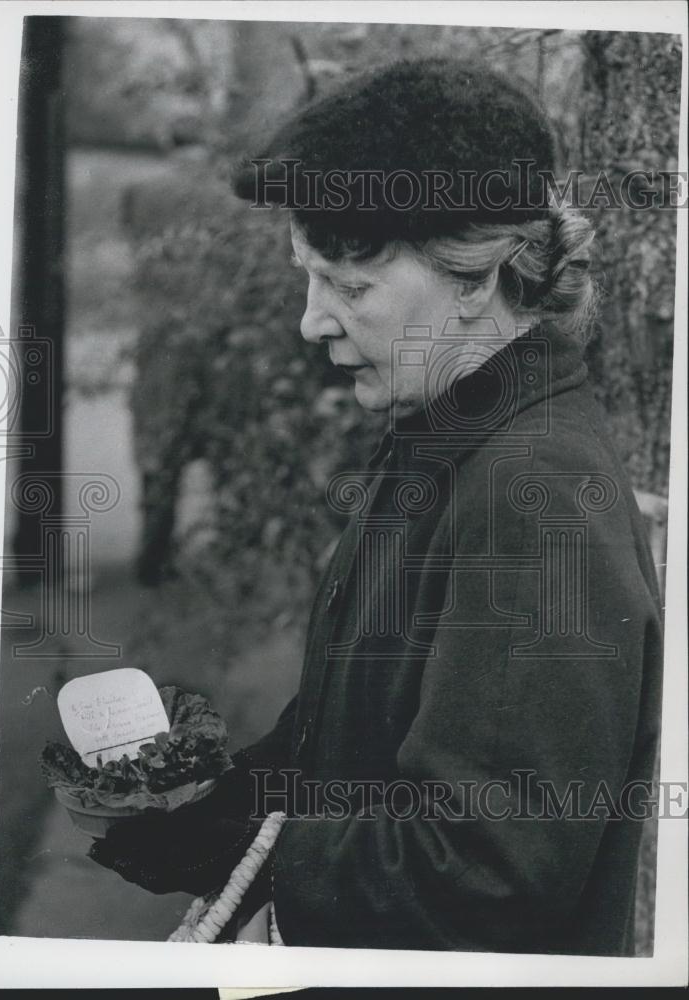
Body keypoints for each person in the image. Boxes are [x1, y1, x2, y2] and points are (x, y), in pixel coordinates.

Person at [90, 58, 664, 955]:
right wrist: (222, 798)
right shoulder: (447, 438)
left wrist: (250, 848)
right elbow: (354, 737)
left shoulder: (535, 494)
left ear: (476, 277)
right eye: (309, 280)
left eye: (349, 288)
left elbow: (487, 874)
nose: (311, 322)